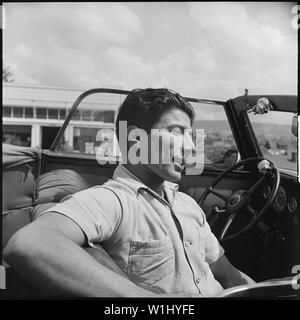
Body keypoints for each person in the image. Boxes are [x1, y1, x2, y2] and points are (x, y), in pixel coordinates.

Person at [4, 88, 255, 297]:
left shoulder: (188, 204)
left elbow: (231, 277)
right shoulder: (113, 200)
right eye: (176, 132)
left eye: (189, 134)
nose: (190, 147)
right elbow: (29, 244)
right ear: (136, 140)